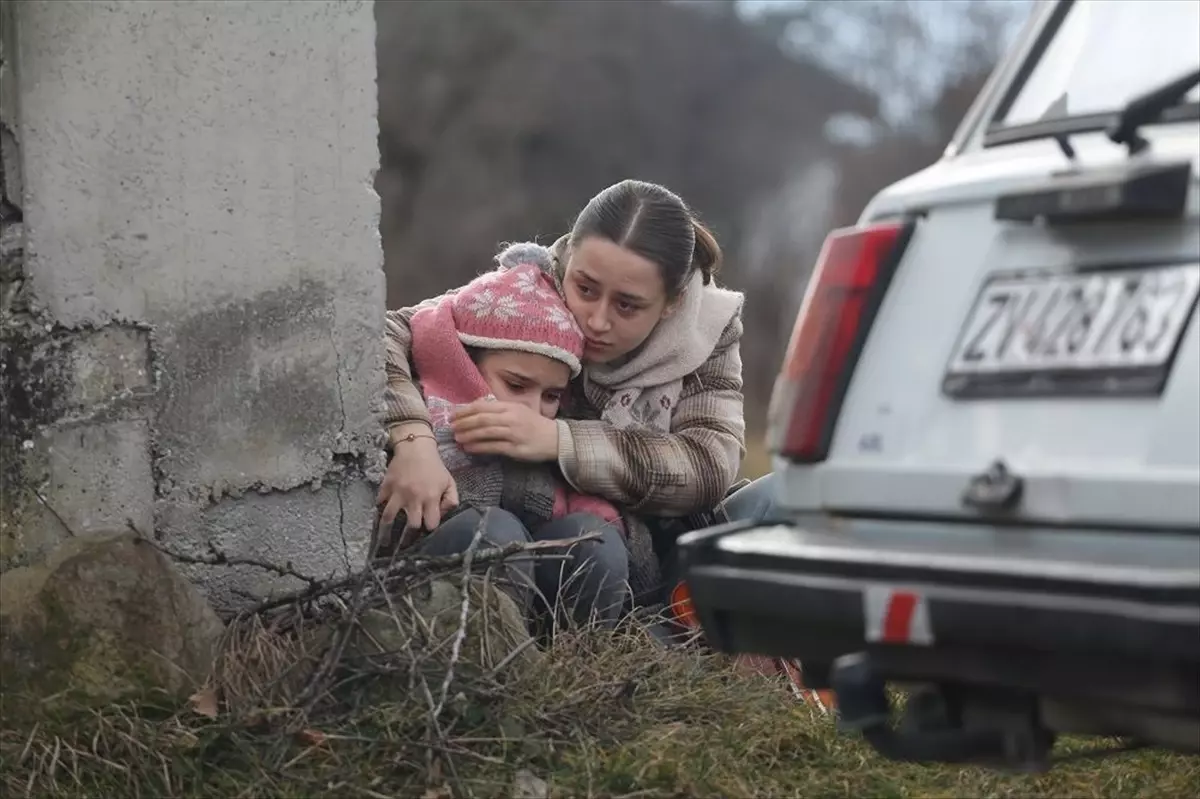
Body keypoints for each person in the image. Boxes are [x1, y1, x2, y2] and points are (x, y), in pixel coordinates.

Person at [378, 179, 780, 615]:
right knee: (493, 537)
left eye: (627, 306)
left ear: (672, 302)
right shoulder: (530, 286)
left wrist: (558, 441)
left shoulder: (705, 336)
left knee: (783, 499)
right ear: (567, 260)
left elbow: (708, 465)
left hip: (628, 542)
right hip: (494, 515)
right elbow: (388, 332)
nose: (596, 320)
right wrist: (413, 440)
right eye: (585, 289)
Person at [397, 260, 631, 627]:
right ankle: (490, 668)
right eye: (516, 386)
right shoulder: (420, 415)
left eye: (551, 395)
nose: (533, 411)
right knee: (492, 535)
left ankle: (568, 670)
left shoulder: (553, 439)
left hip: (539, 588)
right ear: (465, 366)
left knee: (595, 541)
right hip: (424, 584)